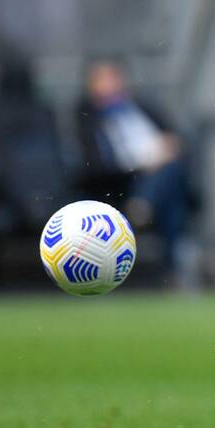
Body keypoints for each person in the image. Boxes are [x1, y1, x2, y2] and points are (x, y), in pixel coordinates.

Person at [76, 59, 193, 283]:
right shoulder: (87, 118)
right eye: (103, 79)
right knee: (172, 193)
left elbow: (176, 138)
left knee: (171, 178)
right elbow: (96, 164)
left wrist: (168, 148)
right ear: (92, 85)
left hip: (159, 173)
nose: (110, 84)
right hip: (121, 182)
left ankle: (144, 205)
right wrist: (144, 161)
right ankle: (172, 269)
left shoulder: (142, 107)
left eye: (114, 77)